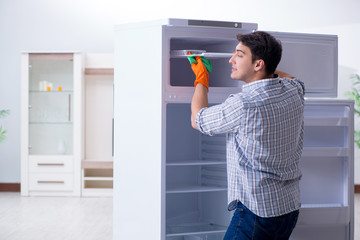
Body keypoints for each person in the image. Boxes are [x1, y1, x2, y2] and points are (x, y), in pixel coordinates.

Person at [188, 31, 305, 240]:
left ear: (258, 64)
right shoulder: (292, 90)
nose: (231, 59)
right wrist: (265, 66)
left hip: (256, 212)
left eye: (239, 55)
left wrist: (201, 79)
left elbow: (198, 120)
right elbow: (293, 79)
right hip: (288, 208)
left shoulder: (243, 105)